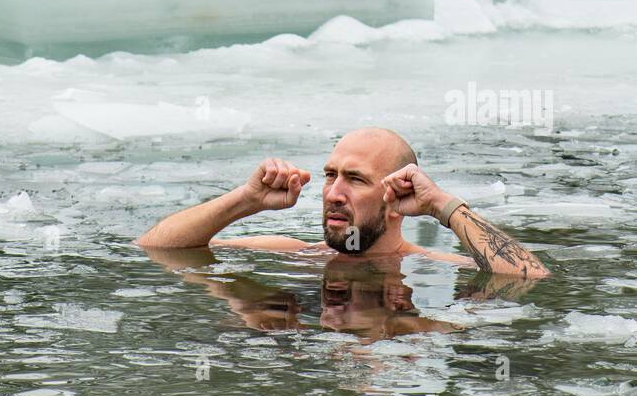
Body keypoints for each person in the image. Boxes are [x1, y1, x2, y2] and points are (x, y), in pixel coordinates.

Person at [136, 126, 550, 279]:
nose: (333, 193)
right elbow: (157, 247)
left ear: (397, 198)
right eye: (331, 175)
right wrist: (247, 200)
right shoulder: (296, 255)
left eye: (355, 180)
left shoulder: (425, 265)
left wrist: (442, 206)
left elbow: (528, 276)